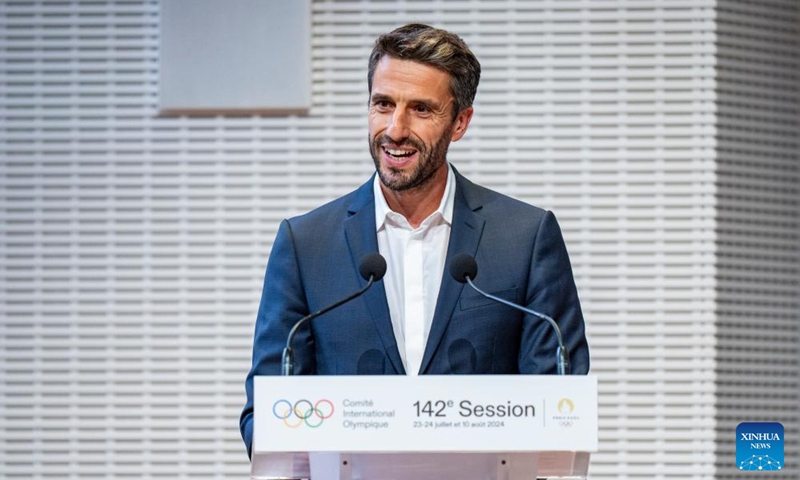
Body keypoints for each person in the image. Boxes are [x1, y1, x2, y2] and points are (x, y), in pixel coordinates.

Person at [239, 23, 589, 456]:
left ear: (460, 122)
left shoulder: (526, 237)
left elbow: (560, 404)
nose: (396, 129)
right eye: (383, 104)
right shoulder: (306, 244)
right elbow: (266, 415)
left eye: (421, 109)